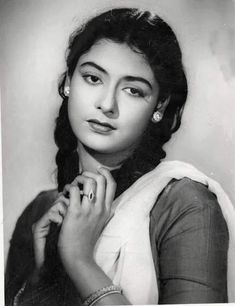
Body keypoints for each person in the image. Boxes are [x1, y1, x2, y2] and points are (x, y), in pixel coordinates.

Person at [5, 7, 232, 305]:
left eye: (133, 91)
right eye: (93, 78)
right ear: (68, 82)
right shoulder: (40, 213)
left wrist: (79, 260)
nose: (107, 104)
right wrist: (43, 274)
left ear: (159, 105)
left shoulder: (186, 206)